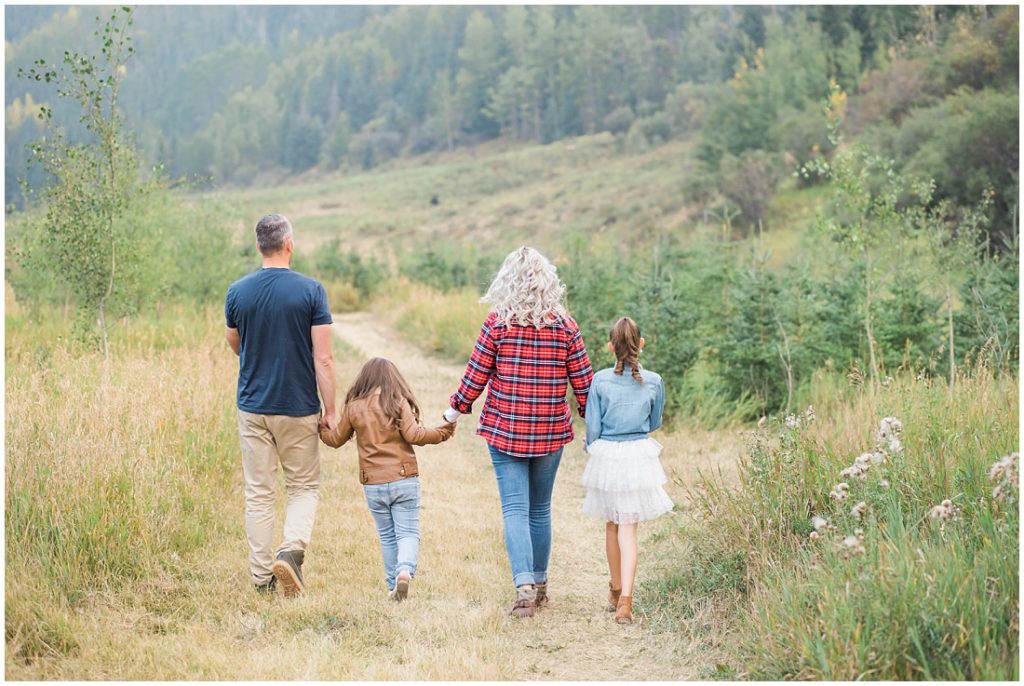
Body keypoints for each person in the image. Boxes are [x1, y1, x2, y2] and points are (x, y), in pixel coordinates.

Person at [444, 247, 593, 618]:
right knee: (540, 509)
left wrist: (454, 410)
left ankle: (524, 587)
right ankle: (540, 584)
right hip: (550, 432)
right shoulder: (566, 325)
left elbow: (475, 375)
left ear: (506, 280)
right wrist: (596, 425)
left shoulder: (497, 323)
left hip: (506, 430)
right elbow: (585, 383)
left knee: (515, 509)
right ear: (548, 281)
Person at [225, 213, 337, 597]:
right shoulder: (311, 291)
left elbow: (235, 342)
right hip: (297, 404)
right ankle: (290, 552)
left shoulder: (237, 291)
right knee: (303, 486)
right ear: (289, 244)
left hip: (252, 406)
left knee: (259, 491)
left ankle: (261, 579)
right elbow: (323, 358)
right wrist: (332, 411)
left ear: (259, 246)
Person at [320, 357, 455, 600]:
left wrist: (321, 428)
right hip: (403, 478)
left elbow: (336, 439)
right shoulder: (397, 402)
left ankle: (393, 585)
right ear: (393, 379)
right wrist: (442, 433)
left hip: (373, 484)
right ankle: (404, 572)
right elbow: (415, 434)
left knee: (387, 536)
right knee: (408, 533)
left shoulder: (354, 406)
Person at [581, 316, 674, 624]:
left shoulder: (600, 380)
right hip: (638, 453)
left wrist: (592, 448)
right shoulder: (655, 380)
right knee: (629, 528)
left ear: (610, 347)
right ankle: (626, 601)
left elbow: (592, 426)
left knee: (612, 524)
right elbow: (655, 420)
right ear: (641, 344)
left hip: (608, 452)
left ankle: (615, 586)